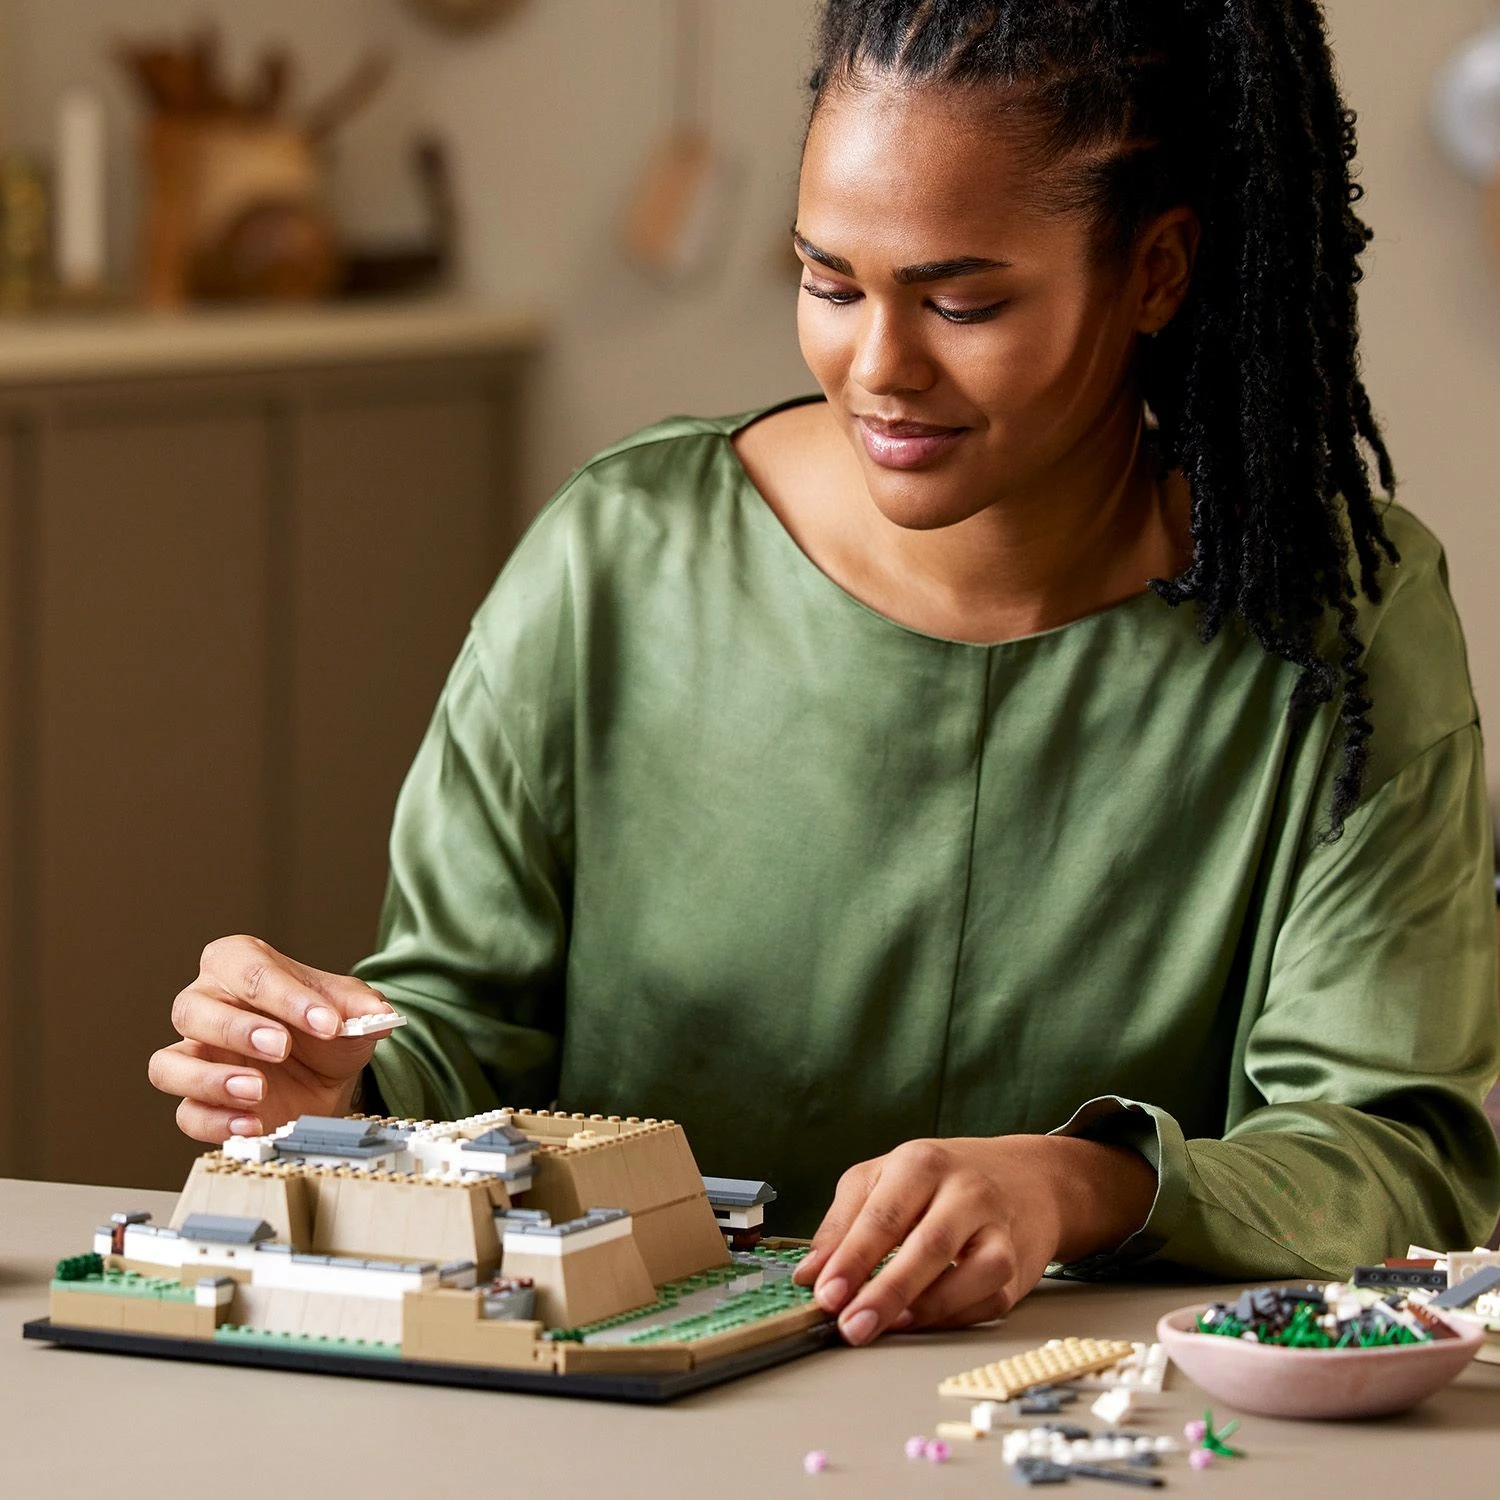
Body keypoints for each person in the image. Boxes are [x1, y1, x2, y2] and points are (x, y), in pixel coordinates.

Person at [149, 0, 1500, 1349]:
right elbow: (462, 1036)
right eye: (830, 283)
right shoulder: (618, 559)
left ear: (1156, 272)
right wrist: (333, 1089)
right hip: (614, 1427)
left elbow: (1397, 1154)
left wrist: (1082, 1184)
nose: (879, 369)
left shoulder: (1344, 625)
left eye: (962, 301)